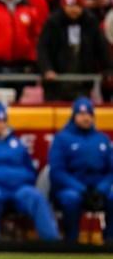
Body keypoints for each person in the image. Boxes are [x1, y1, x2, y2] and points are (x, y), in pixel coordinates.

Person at [0, 103, 60, 241]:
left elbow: (31, 171)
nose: (0, 125)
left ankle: (51, 240)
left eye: (3, 121)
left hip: (18, 188)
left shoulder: (17, 144)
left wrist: (19, 177)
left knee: (35, 196)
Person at [49, 97, 113, 242]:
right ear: (74, 116)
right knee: (71, 199)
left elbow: (111, 170)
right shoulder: (61, 139)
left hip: (99, 188)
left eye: (89, 114)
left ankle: (110, 242)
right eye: (82, 114)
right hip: (72, 188)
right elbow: (57, 172)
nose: (86, 118)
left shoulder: (102, 139)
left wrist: (101, 189)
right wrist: (83, 190)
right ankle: (71, 242)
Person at [37, 0, 113, 101]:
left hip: (83, 82)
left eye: (77, 6)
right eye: (70, 6)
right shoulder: (52, 22)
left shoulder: (90, 22)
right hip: (56, 82)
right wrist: (46, 69)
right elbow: (43, 48)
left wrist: (108, 69)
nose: (73, 10)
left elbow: (101, 48)